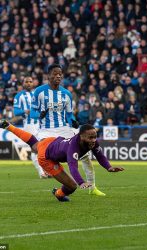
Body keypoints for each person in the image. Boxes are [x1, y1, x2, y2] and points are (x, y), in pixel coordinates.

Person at [0, 120, 124, 202]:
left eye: (95, 137)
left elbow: (100, 155)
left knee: (34, 144)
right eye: (90, 137)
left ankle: (9, 126)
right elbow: (73, 167)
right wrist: (81, 182)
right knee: (72, 186)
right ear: (81, 136)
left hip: (52, 141)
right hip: (47, 157)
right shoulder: (74, 146)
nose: (93, 140)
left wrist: (109, 167)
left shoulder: (92, 142)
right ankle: (58, 194)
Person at [31, 64, 105, 196]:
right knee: (47, 156)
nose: (58, 76)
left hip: (64, 130)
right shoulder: (39, 92)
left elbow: (69, 114)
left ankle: (92, 187)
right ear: (48, 75)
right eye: (55, 73)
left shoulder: (66, 94)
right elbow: (32, 112)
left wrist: (73, 121)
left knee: (86, 156)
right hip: (46, 131)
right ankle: (59, 184)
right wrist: (39, 115)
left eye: (60, 73)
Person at [13, 76, 47, 178]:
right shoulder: (19, 96)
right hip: (29, 125)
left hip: (40, 125)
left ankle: (45, 170)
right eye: (26, 82)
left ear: (33, 83)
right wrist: (25, 111)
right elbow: (16, 112)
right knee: (35, 148)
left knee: (43, 148)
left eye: (30, 81)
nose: (28, 83)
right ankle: (41, 173)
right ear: (23, 83)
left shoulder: (36, 95)